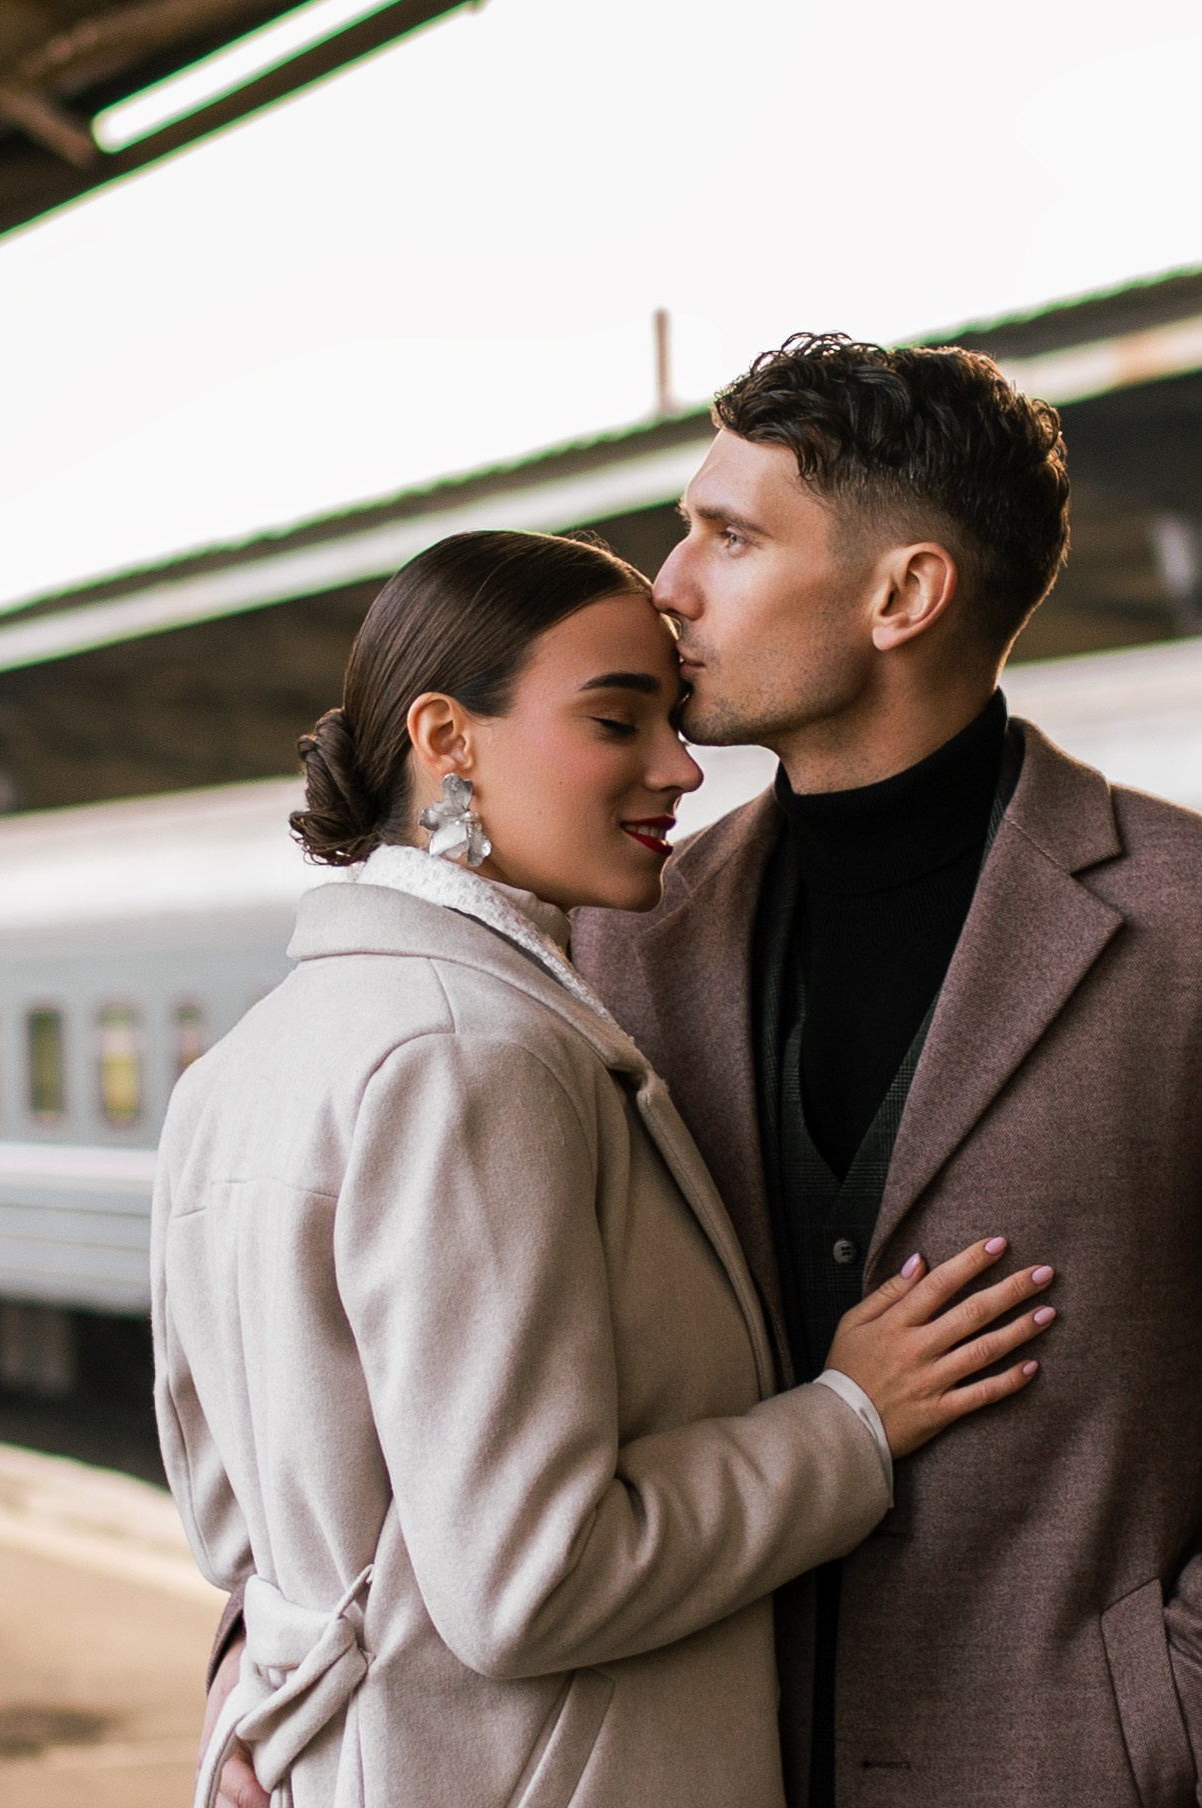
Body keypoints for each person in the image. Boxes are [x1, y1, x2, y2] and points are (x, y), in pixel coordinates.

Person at [156, 530, 1053, 1808]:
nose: (680, 765)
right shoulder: (473, 1055)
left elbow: (238, 1527)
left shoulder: (236, 1070)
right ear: (445, 737)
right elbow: (534, 1576)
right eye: (615, 719)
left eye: (672, 717)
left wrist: (263, 1708)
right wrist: (848, 1419)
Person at [569, 334, 1202, 1806]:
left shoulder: (1184, 923)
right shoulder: (621, 938)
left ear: (903, 595)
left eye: (728, 535)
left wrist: (1163, 1705)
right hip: (683, 1767)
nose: (665, 585)